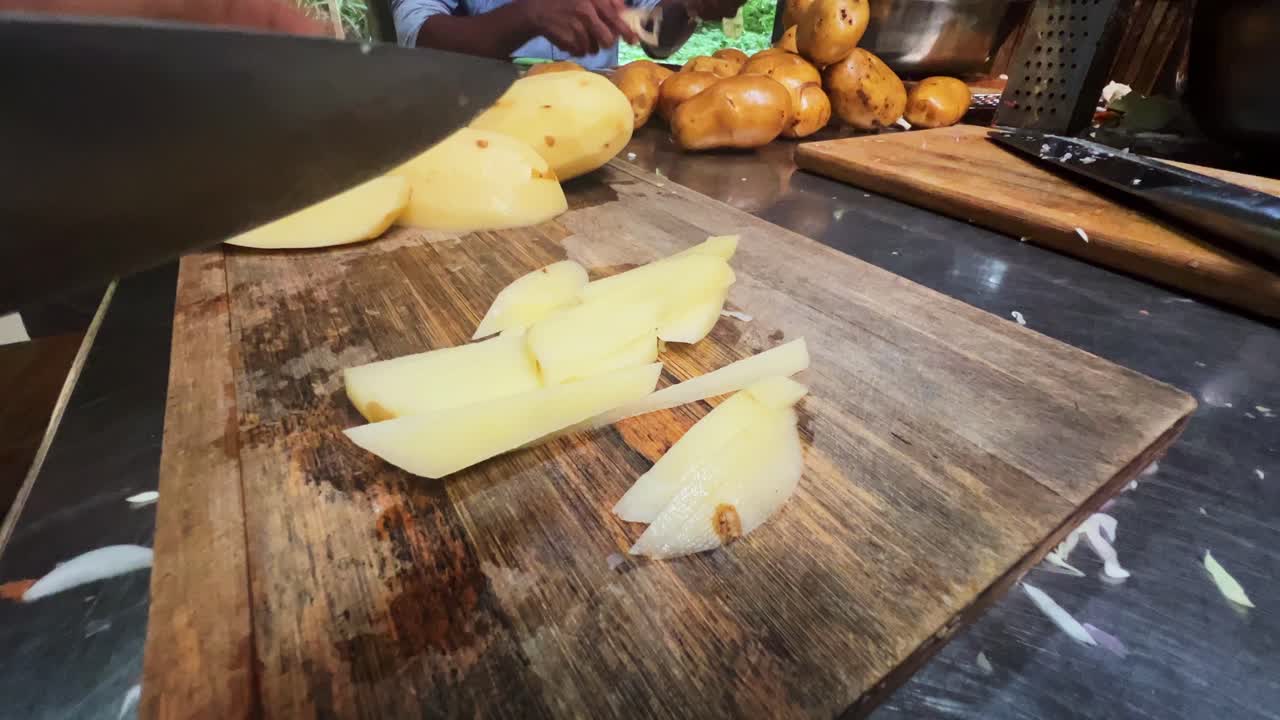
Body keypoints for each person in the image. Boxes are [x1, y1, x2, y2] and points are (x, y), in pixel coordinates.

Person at [392, 0, 745, 69]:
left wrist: (688, 5)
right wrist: (528, 15)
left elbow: (654, 32)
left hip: (594, 130)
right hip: (481, 122)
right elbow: (419, 35)